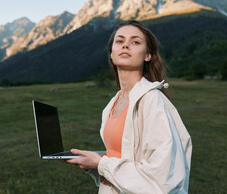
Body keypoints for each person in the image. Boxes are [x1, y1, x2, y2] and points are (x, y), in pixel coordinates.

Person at [66, 20, 192, 194]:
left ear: (147, 55)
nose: (125, 45)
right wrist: (93, 162)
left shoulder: (152, 100)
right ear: (111, 53)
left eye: (135, 42)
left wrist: (101, 163)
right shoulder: (112, 104)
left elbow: (164, 178)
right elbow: (121, 157)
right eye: (119, 41)